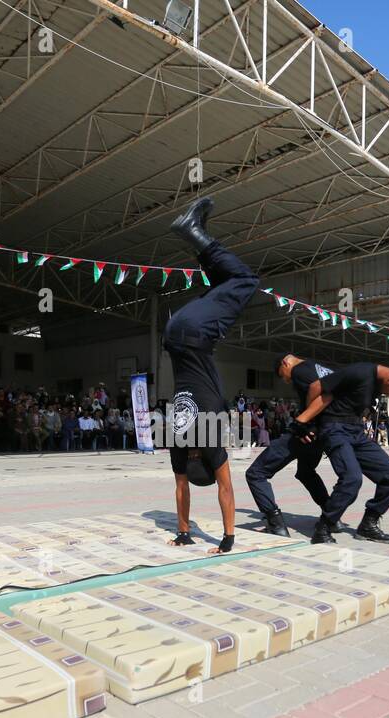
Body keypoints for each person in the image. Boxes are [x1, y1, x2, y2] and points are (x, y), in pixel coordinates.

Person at [162, 197, 258, 554]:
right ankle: (195, 235)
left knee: (247, 281)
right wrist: (184, 533)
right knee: (226, 287)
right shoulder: (177, 441)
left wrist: (229, 539)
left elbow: (226, 489)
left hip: (194, 333)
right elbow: (181, 488)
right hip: (173, 334)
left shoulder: (211, 438)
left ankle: (195, 233)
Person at [291, 361, 389, 543]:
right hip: (334, 429)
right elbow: (316, 386)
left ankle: (368, 525)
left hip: (356, 431)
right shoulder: (359, 372)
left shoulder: (377, 384)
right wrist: (309, 420)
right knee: (352, 479)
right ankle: (324, 527)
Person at [245, 353, 333, 536]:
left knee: (256, 473)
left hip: (304, 433)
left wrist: (305, 425)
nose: (286, 380)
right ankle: (332, 517)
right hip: (322, 435)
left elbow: (320, 398)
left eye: (283, 375)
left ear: (286, 362)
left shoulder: (299, 370)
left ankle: (276, 524)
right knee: (306, 472)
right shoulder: (319, 367)